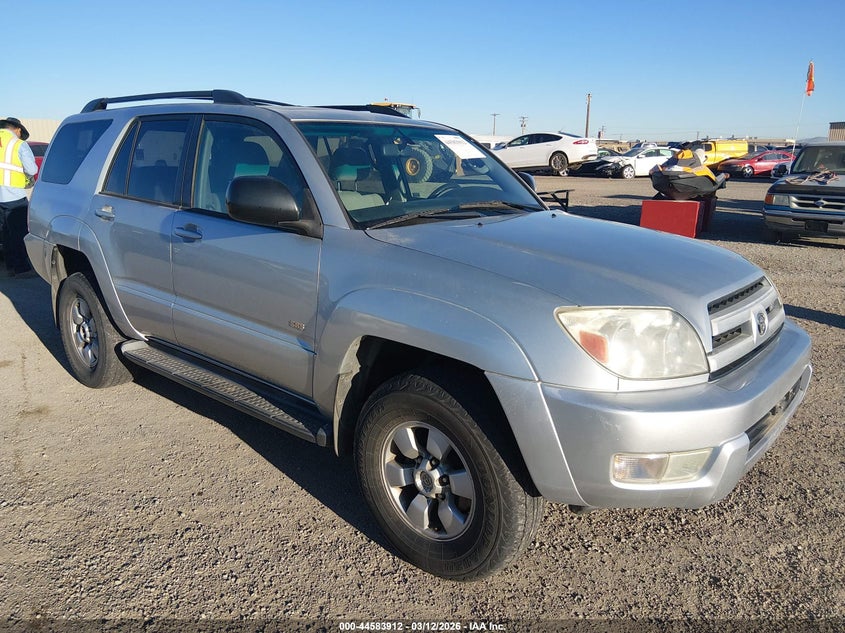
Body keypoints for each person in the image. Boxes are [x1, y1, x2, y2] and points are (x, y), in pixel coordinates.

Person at [0, 116, 38, 277]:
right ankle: (21, 268)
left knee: (4, 232)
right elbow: (32, 170)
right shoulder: (18, 144)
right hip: (13, 196)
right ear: (18, 129)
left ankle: (9, 266)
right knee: (19, 232)